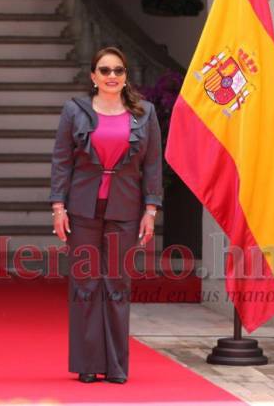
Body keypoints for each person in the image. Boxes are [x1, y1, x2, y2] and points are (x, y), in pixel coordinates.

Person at [49, 46, 162, 384]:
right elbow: (61, 160)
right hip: (82, 209)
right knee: (85, 285)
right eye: (105, 70)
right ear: (93, 77)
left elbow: (153, 165)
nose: (112, 76)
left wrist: (150, 210)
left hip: (126, 210)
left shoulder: (145, 114)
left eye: (118, 71)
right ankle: (86, 363)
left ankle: (115, 365)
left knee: (116, 286)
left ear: (126, 77)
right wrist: (58, 207)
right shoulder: (75, 111)